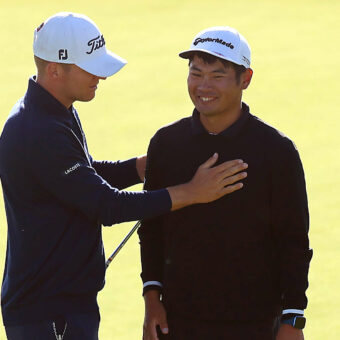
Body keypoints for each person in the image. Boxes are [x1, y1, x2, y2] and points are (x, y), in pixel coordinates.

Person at [0, 15, 248, 340]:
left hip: (61, 305)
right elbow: (105, 205)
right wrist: (191, 192)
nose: (101, 75)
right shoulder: (38, 129)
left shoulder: (54, 111)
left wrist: (138, 168)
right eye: (90, 66)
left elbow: (82, 177)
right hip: (49, 313)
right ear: (55, 70)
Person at [138, 26, 313, 340]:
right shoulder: (166, 144)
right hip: (178, 324)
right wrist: (152, 301)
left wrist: (293, 319)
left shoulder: (277, 152)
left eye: (217, 75)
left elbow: (294, 242)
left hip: (256, 325)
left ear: (245, 79)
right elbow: (151, 231)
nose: (203, 85)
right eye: (196, 73)